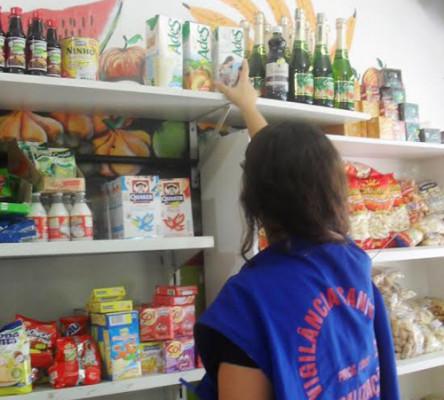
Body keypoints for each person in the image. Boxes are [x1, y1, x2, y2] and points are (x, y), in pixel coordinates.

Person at [193, 60, 400, 400]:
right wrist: (249, 106)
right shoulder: (351, 259)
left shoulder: (248, 301)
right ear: (333, 190)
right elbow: (292, 171)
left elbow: (283, 173)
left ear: (254, 200)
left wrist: (249, 107)